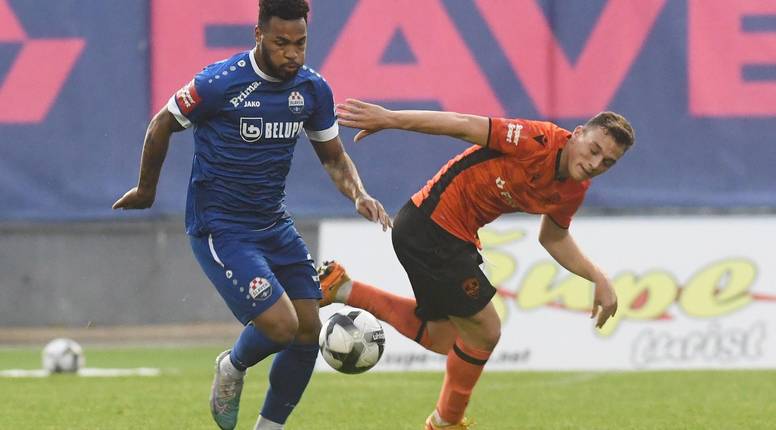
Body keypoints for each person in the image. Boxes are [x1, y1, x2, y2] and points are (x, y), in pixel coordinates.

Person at [113, 2, 391, 429]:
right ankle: (233, 365)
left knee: (307, 331)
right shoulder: (219, 83)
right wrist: (146, 189)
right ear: (258, 35)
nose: (292, 54)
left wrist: (359, 193)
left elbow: (334, 158)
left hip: (274, 224)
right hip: (220, 229)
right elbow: (161, 124)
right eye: (281, 43)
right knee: (281, 326)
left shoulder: (312, 89)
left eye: (300, 43)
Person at [318, 99, 634, 429]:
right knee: (486, 331)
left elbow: (553, 237)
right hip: (431, 224)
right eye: (594, 149)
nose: (595, 163)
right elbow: (462, 124)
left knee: (446, 339)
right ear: (578, 133)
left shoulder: (574, 189)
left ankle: (342, 288)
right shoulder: (536, 139)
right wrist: (390, 118)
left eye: (607, 162)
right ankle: (445, 422)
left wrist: (598, 277)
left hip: (453, 236)